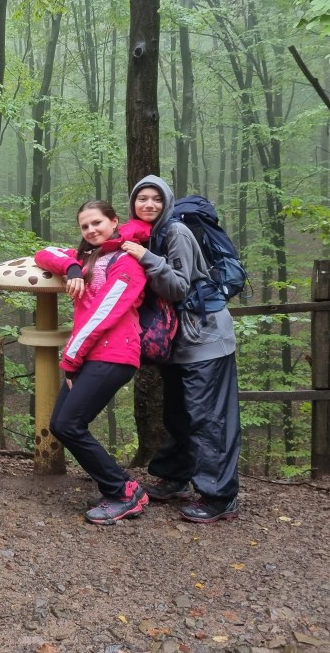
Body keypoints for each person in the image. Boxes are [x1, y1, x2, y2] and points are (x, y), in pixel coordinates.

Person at [122, 175, 241, 523]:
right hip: (177, 341)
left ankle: (219, 496)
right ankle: (175, 476)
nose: (149, 204)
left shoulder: (176, 232)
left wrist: (147, 258)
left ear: (167, 203)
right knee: (178, 413)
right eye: (142, 198)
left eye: (156, 199)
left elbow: (177, 287)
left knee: (208, 417)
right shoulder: (148, 234)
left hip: (205, 338)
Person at [34, 201, 149, 524]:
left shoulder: (128, 261)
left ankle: (121, 493)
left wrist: (71, 360)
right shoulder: (88, 257)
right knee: (61, 424)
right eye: (84, 226)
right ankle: (125, 485)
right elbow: (44, 253)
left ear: (114, 222)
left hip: (115, 353)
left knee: (70, 424)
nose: (91, 230)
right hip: (89, 352)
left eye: (97, 223)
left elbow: (104, 313)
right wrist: (72, 268)